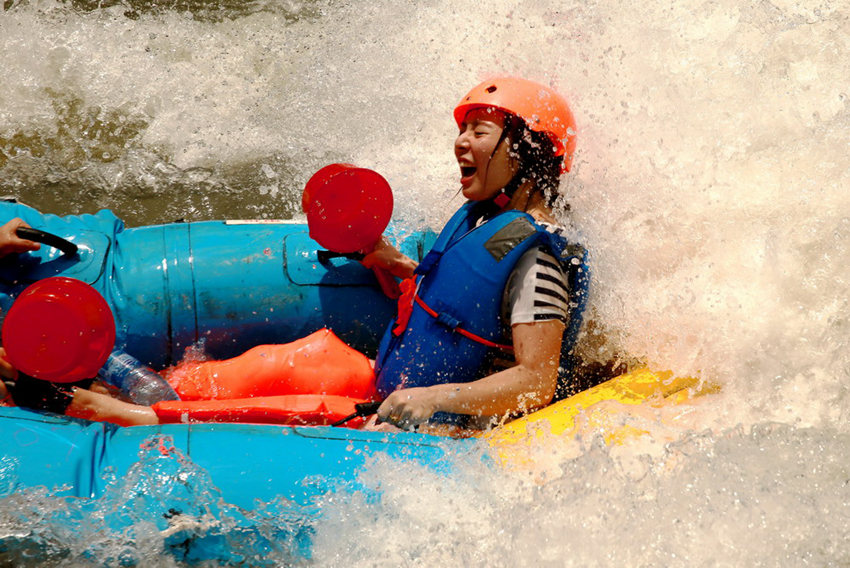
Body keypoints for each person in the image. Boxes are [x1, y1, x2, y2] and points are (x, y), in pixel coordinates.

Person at [1, 76, 588, 433]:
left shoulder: (536, 259)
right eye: (465, 130)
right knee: (281, 362)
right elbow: (454, 302)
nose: (461, 142)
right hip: (392, 377)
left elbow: (535, 382)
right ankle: (141, 389)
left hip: (435, 421)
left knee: (305, 401)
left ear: (528, 150)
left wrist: (427, 400)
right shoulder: (483, 220)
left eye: (481, 133)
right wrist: (394, 263)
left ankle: (126, 416)